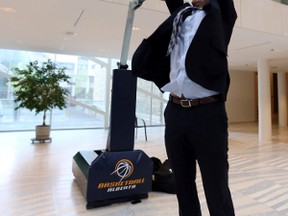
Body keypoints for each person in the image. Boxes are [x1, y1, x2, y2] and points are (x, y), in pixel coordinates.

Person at [132, 0, 237, 215]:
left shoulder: (220, 17)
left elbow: (226, 5)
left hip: (208, 114)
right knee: (182, 185)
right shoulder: (181, 14)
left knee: (216, 188)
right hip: (175, 112)